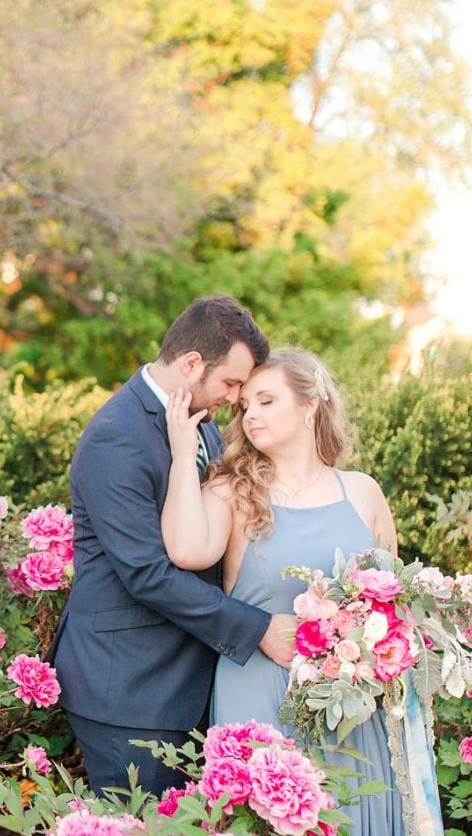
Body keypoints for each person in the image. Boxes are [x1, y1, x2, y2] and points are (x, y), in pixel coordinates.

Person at [159, 345, 444, 836]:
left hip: (356, 710)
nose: (251, 416)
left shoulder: (362, 492)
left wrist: (365, 643)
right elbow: (185, 550)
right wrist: (181, 451)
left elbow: (393, 602)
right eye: (245, 406)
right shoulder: (235, 491)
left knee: (359, 828)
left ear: (311, 404)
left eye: (267, 400)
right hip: (264, 693)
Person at [52, 295, 298, 800]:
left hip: (181, 683)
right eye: (231, 383)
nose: (235, 398)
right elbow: (146, 572)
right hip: (129, 689)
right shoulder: (116, 437)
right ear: (190, 365)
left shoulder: (198, 421)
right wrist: (259, 629)